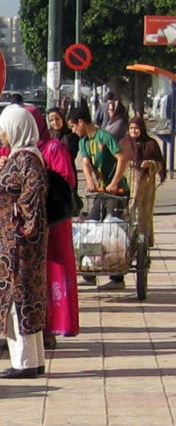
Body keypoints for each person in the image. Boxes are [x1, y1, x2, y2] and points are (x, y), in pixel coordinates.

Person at [0, 105, 49, 379]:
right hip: (14, 245)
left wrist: (18, 224)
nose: (1, 135)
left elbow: (33, 196)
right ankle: (33, 360)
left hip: (17, 247)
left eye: (4, 130)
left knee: (19, 300)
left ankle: (24, 362)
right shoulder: (22, 158)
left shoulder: (27, 160)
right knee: (25, 300)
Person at [68, 104, 129, 289]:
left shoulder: (104, 136)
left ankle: (117, 278)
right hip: (101, 191)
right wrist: (89, 181)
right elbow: (86, 163)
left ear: (81, 122)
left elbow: (122, 158)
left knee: (113, 230)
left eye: (73, 126)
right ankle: (89, 273)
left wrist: (114, 182)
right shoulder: (83, 142)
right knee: (91, 226)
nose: (73, 130)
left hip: (117, 191)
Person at [122, 115, 166, 247]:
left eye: (136, 128)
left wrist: (150, 164)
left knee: (143, 213)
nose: (133, 131)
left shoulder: (151, 144)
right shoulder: (123, 143)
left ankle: (143, 244)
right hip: (128, 183)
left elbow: (160, 164)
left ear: (142, 129)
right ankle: (127, 242)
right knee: (128, 211)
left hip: (145, 184)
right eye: (131, 128)